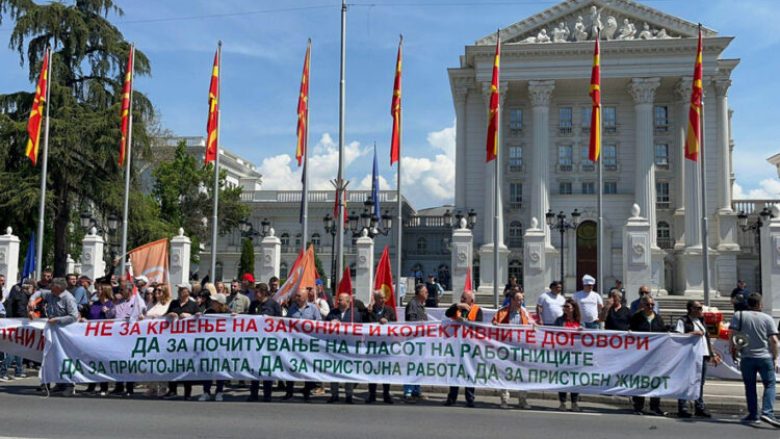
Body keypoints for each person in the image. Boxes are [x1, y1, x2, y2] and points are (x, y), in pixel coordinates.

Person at [729, 293, 780, 427]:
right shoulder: (767, 318)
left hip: (746, 357)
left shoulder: (738, 315)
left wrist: (732, 351)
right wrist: (775, 357)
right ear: (759, 304)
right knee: (769, 384)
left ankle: (753, 414)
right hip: (764, 356)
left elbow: (732, 336)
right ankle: (767, 412)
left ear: (748, 303)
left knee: (750, 386)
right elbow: (774, 340)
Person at [27, 277, 79, 396]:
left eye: (53, 288)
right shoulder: (51, 294)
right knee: (54, 357)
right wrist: (32, 300)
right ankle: (59, 383)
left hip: (64, 332)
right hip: (53, 331)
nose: (51, 290)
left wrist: (58, 320)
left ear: (59, 289)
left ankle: (69, 385)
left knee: (65, 357)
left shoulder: (68, 298)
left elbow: (74, 316)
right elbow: (39, 292)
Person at [674, 300, 718, 418]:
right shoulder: (683, 321)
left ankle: (699, 406)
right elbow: (677, 337)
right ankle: (682, 406)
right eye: (698, 308)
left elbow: (706, 338)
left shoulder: (701, 321)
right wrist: (692, 333)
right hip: (690, 356)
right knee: (686, 381)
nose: (700, 310)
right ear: (691, 309)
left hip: (702, 355)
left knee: (700, 382)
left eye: (701, 308)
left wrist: (712, 354)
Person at [629, 295, 667, 416]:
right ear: (642, 305)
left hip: (655, 355)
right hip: (640, 355)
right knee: (640, 380)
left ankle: (655, 406)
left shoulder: (658, 318)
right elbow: (631, 334)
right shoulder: (636, 318)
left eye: (652, 305)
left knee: (656, 380)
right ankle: (638, 406)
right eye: (647, 305)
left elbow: (663, 333)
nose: (650, 307)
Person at [493, 290, 532, 409]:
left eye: (522, 299)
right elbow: (493, 324)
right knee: (505, 373)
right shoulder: (502, 312)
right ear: (512, 300)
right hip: (505, 348)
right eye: (519, 299)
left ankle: (522, 399)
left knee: (522, 374)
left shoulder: (525, 313)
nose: (521, 302)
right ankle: (504, 399)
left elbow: (533, 326)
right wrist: (495, 324)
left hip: (520, 348)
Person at [444, 290, 482, 407]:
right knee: (455, 372)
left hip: (469, 347)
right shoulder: (458, 308)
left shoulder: (477, 310)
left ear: (471, 300)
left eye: (464, 299)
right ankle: (452, 398)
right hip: (456, 346)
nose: (462, 300)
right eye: (461, 298)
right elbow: (448, 313)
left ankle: (470, 398)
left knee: (470, 372)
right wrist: (457, 306)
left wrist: (465, 322)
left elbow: (478, 325)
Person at [162, 285, 200, 400]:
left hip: (187, 340)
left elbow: (200, 318)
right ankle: (172, 389)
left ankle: (187, 392)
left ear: (187, 292)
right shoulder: (174, 303)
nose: (179, 292)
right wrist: (170, 314)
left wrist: (190, 316)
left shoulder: (193, 305)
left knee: (187, 365)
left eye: (182, 290)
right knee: (172, 365)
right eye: (178, 290)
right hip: (174, 340)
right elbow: (165, 316)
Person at [284, 289, 321, 401]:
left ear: (305, 297)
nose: (296, 298)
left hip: (308, 344)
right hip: (294, 343)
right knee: (291, 367)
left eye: (299, 296)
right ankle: (289, 392)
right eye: (296, 296)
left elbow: (319, 323)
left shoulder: (313, 308)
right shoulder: (292, 309)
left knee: (307, 368)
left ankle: (307, 392)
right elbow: (287, 323)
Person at [247, 283, 282, 402]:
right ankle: (254, 393)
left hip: (268, 342)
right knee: (255, 367)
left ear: (263, 292)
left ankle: (267, 394)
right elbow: (248, 319)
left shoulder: (274, 305)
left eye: (257, 292)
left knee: (267, 368)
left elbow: (280, 322)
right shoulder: (253, 304)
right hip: (255, 342)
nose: (255, 295)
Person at [325, 292, 361, 404]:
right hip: (335, 347)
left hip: (349, 348)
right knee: (334, 371)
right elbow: (323, 326)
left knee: (348, 371)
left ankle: (349, 395)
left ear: (347, 301)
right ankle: (334, 394)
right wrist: (330, 322)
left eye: (341, 300)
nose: (338, 302)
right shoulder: (333, 313)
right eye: (338, 300)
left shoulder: (355, 314)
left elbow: (360, 328)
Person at [366, 291, 396, 404]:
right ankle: (372, 394)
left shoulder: (389, 310)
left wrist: (388, 322)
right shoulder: (370, 310)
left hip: (386, 345)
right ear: (375, 299)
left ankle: (386, 394)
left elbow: (395, 324)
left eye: (384, 298)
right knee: (372, 370)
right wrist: (369, 314)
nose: (383, 300)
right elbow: (365, 324)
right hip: (373, 345)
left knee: (385, 371)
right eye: (381, 298)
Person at [199, 293, 229, 401]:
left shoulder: (228, 314)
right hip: (209, 345)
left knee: (220, 369)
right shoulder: (208, 312)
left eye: (214, 301)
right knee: (208, 369)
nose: (212, 303)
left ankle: (219, 391)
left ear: (220, 303)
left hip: (222, 346)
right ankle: (206, 391)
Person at [0, 279, 33, 380]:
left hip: (16, 325)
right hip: (16, 325)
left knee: (19, 349)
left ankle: (18, 370)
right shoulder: (22, 297)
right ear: (28, 287)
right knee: (14, 349)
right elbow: (20, 311)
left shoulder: (20, 295)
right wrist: (29, 318)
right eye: (32, 288)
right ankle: (3, 371)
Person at [554, 298, 582, 411]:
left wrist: (582, 331)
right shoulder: (559, 321)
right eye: (564, 307)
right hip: (563, 353)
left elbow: (586, 337)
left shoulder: (579, 322)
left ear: (573, 308)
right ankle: (562, 402)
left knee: (575, 379)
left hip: (575, 354)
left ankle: (574, 402)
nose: (565, 309)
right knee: (563, 378)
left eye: (568, 307)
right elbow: (553, 334)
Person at [404, 284, 429, 402]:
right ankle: (408, 393)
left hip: (420, 342)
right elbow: (411, 321)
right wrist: (422, 323)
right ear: (419, 293)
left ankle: (416, 391)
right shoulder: (413, 304)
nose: (427, 293)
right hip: (414, 342)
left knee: (418, 367)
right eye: (425, 291)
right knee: (412, 367)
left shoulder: (420, 305)